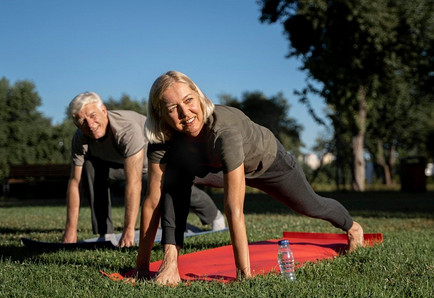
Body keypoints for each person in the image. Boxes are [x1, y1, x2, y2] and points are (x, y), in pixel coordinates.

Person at [135, 71, 364, 284]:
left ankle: (353, 227)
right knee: (174, 178)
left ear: (199, 96)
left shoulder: (224, 131)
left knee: (310, 205)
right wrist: (142, 268)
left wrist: (244, 275)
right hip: (212, 167)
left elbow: (234, 208)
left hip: (268, 163)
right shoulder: (162, 139)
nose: (185, 114)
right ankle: (170, 263)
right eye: (173, 108)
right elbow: (153, 200)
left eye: (188, 101)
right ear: (160, 114)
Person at [61, 91, 225, 248]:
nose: (90, 124)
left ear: (103, 110)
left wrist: (128, 231)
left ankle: (214, 216)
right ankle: (105, 233)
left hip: (154, 164)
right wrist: (70, 230)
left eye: (92, 116)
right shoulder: (80, 138)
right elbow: (76, 182)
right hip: (120, 164)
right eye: (82, 121)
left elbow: (134, 183)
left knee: (173, 187)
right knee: (90, 168)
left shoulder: (126, 129)